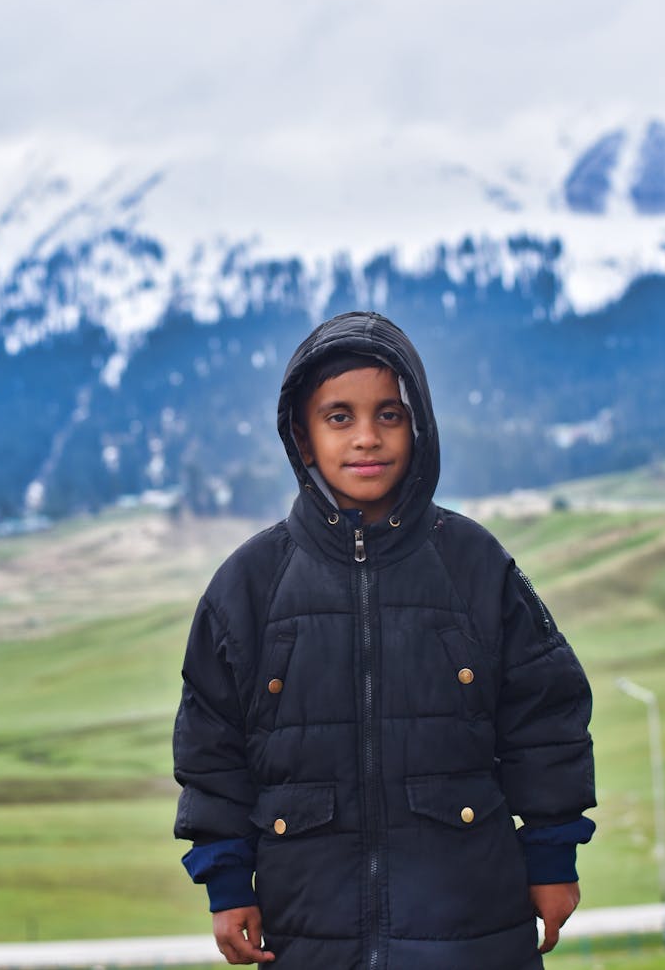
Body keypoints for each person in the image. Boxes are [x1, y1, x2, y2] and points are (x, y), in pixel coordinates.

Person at [173, 310, 596, 969]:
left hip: (473, 926)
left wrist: (551, 856)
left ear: (418, 425)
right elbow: (211, 748)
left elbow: (544, 715)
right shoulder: (248, 586)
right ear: (302, 436)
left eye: (390, 415)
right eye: (339, 416)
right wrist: (226, 882)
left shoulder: (475, 564)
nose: (367, 437)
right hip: (309, 931)